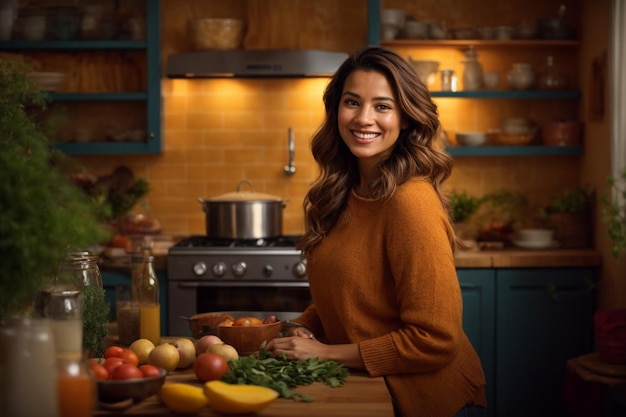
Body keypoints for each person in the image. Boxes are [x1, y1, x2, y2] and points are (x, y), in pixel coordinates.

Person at [264, 46, 487, 417]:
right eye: (352, 102)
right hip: (369, 388)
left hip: (421, 400)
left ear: (406, 119)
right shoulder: (342, 193)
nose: (363, 118)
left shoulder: (410, 202)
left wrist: (324, 352)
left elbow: (436, 340)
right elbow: (352, 298)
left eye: (382, 106)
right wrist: (304, 328)